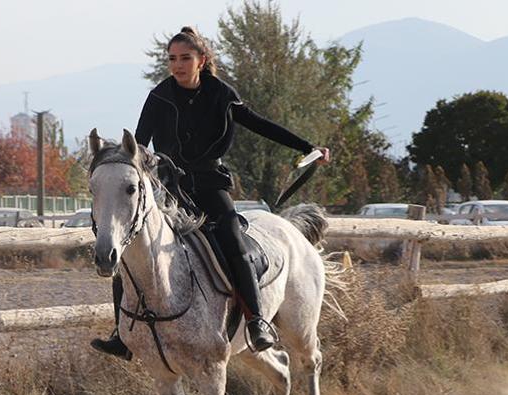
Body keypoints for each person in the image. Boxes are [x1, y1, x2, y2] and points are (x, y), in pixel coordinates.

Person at [91, 26, 330, 358]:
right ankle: (122, 333)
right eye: (172, 59)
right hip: (170, 191)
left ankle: (257, 321)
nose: (177, 65)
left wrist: (306, 146)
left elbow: (260, 124)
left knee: (233, 241)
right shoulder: (159, 96)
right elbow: (140, 146)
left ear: (201, 60)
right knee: (132, 248)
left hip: (209, 185)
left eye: (185, 58)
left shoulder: (221, 94)